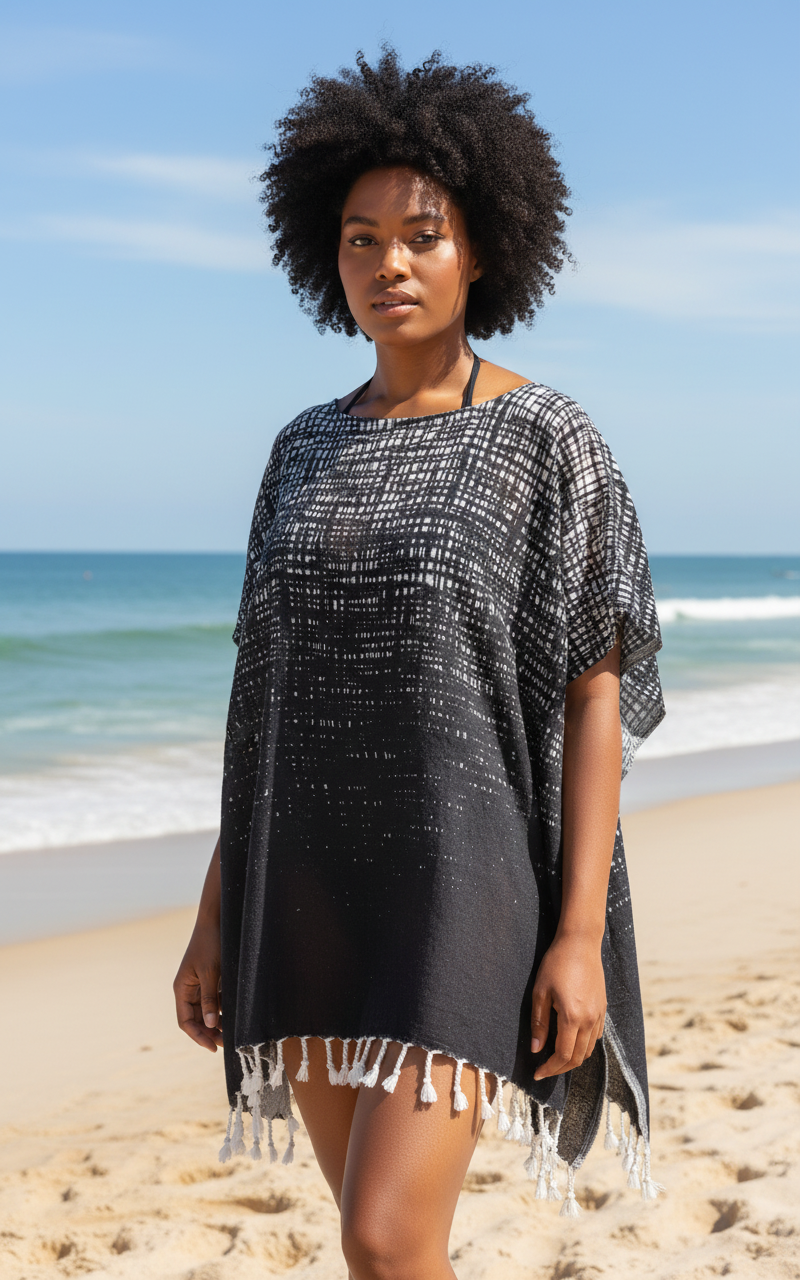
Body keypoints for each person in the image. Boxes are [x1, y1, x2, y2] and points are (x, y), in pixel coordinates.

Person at [174, 47, 665, 1280]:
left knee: (387, 1236)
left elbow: (591, 688)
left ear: (480, 247)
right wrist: (214, 912)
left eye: (420, 235)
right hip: (304, 878)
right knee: (378, 1251)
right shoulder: (300, 448)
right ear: (324, 256)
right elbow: (265, 703)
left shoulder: (544, 438)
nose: (387, 263)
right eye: (360, 240)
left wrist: (573, 935)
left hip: (460, 884)